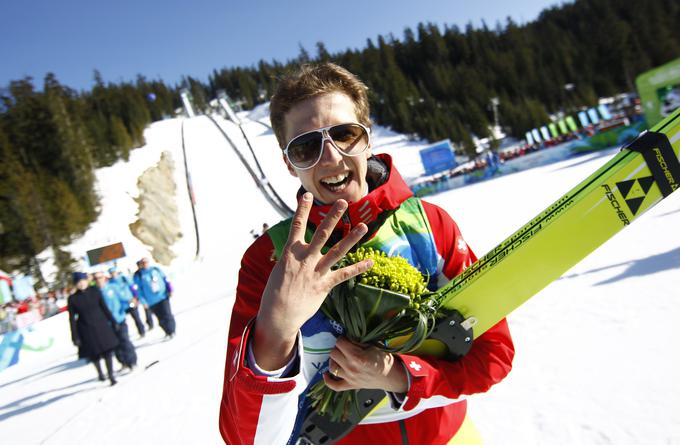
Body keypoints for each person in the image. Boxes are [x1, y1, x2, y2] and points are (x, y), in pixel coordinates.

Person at [218, 63, 514, 444]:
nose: (330, 157)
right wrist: (277, 329)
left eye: (344, 134)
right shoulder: (270, 259)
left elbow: (494, 355)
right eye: (306, 146)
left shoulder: (429, 225)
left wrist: (399, 375)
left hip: (452, 436)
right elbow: (247, 438)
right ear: (290, 165)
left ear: (368, 140)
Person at [67, 272, 119, 386]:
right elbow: (71, 319)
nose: (81, 284)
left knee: (107, 351)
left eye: (82, 281)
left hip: (101, 325)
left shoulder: (95, 291)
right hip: (86, 329)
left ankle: (111, 375)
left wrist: (113, 321)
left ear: (87, 281)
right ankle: (100, 372)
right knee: (94, 354)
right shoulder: (73, 299)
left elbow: (104, 308)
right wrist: (75, 336)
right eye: (78, 282)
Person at [95, 271, 138, 370]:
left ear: (104, 278)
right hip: (106, 324)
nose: (98, 280)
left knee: (124, 340)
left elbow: (123, 297)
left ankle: (132, 361)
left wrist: (130, 301)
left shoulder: (112, 288)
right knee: (114, 345)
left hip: (119, 319)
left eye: (100, 277)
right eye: (96, 279)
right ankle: (123, 362)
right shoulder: (95, 293)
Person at [133, 258, 175, 338]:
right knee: (160, 318)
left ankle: (171, 330)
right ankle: (167, 331)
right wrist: (143, 302)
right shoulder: (139, 275)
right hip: (151, 301)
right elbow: (138, 291)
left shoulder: (156, 270)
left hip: (162, 296)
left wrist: (170, 289)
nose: (145, 264)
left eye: (146, 262)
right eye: (143, 263)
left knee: (167, 314)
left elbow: (166, 279)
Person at [109, 267, 145, 338]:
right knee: (123, 321)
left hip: (130, 301)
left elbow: (132, 287)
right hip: (121, 305)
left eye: (114, 272)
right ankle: (125, 336)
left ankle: (142, 331)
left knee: (136, 317)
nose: (113, 274)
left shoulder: (123, 279)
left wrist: (135, 297)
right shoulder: (110, 283)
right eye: (111, 273)